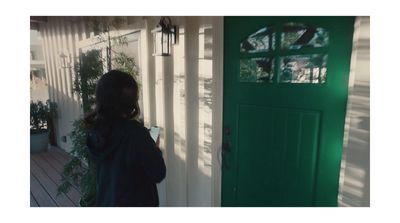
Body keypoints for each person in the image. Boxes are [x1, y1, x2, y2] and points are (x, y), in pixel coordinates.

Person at [85, 70, 166, 207]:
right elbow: (158, 173)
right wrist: (155, 148)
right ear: (130, 100)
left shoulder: (95, 131)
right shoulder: (136, 133)